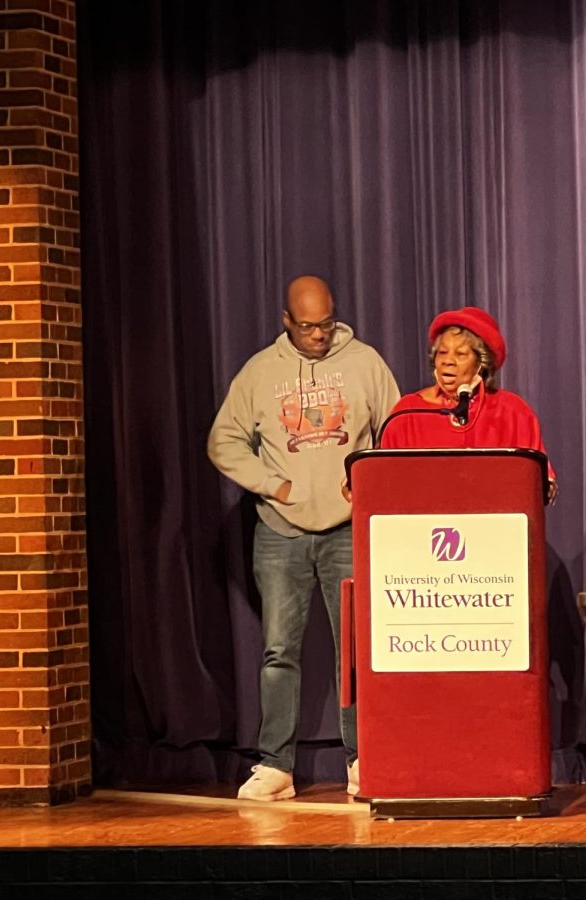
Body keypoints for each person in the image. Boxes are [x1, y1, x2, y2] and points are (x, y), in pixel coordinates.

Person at [208, 275, 399, 801]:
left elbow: (396, 430)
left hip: (346, 528)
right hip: (280, 531)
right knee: (278, 651)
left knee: (356, 650)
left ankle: (366, 758)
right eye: (308, 326)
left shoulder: (364, 363)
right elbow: (224, 440)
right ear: (286, 322)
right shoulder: (260, 372)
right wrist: (274, 484)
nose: (319, 335)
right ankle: (276, 767)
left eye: (327, 323)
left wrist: (368, 483)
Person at [380, 306, 556, 501]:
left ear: (481, 362)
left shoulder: (512, 412)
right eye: (442, 353)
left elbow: (538, 481)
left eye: (460, 354)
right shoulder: (407, 413)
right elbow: (386, 481)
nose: (448, 361)